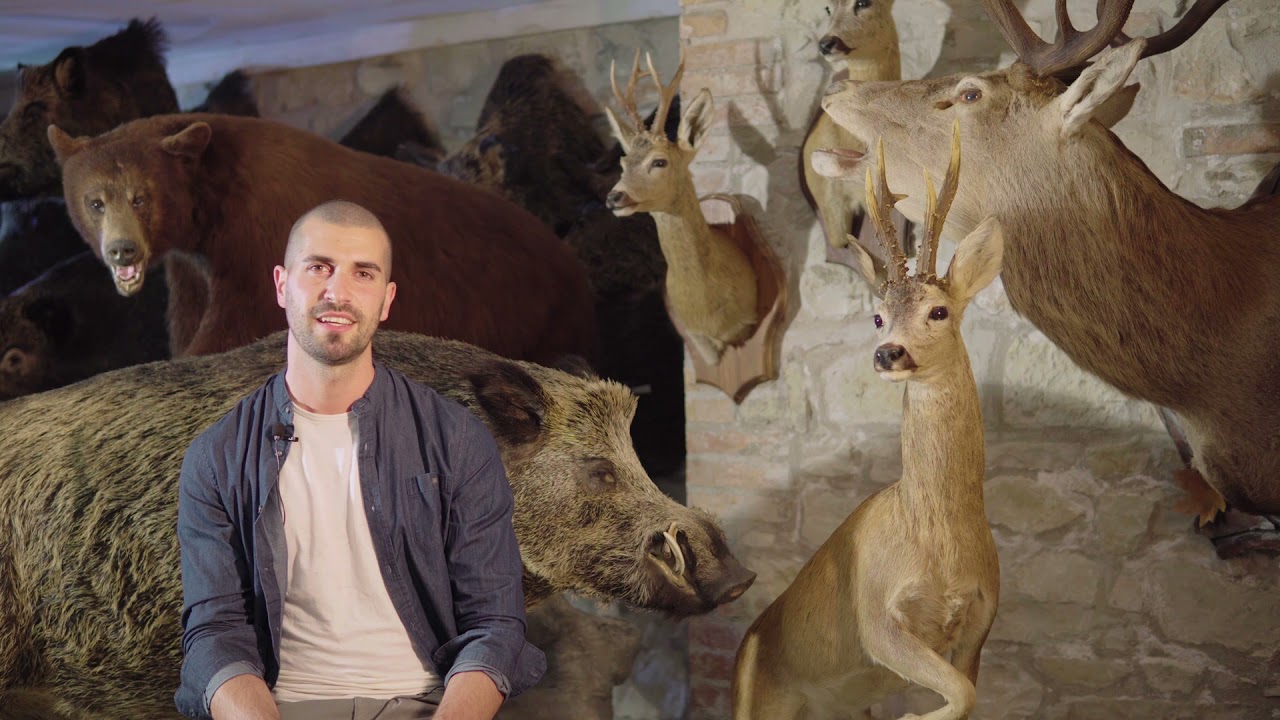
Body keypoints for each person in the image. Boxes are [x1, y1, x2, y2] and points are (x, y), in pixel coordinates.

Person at [174, 200, 544, 720]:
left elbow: (495, 622)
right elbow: (214, 632)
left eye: (362, 273)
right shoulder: (217, 456)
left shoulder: (457, 439)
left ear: (386, 299)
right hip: (282, 709)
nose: (338, 292)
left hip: (427, 706)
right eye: (318, 267)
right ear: (282, 285)